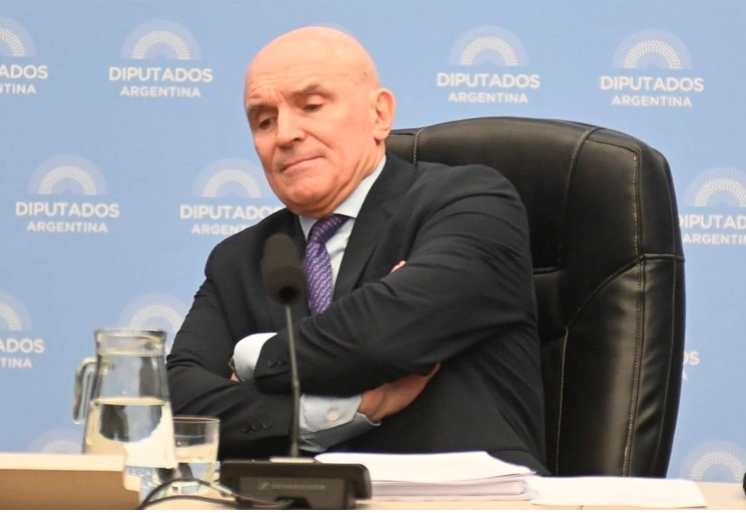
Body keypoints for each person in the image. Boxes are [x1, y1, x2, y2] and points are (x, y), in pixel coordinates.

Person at [166, 26, 547, 473]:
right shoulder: (239, 258)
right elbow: (179, 404)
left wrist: (252, 355)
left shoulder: (470, 202)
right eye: (264, 121)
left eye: (311, 106)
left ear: (379, 114)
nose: (285, 134)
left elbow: (380, 339)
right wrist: (344, 411)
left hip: (459, 494)